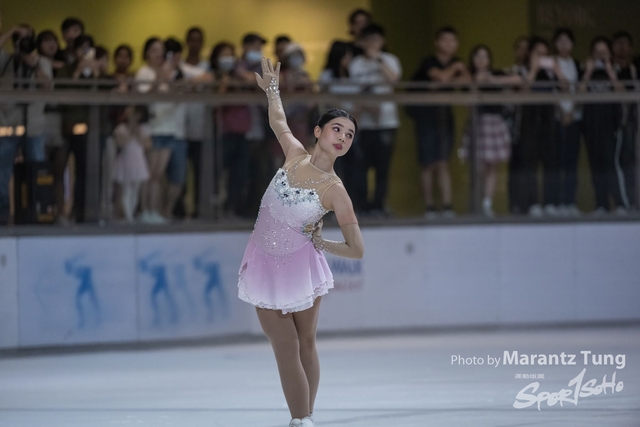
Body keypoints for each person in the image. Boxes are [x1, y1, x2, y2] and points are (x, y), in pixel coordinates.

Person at [237, 58, 364, 427]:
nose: (342, 138)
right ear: (318, 131)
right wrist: (272, 90)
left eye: (349, 135)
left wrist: (322, 244)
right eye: (337, 129)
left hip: (301, 268)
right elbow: (278, 121)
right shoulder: (294, 155)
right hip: (264, 264)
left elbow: (357, 249)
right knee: (286, 344)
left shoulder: (336, 191)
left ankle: (302, 419)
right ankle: (302, 417)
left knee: (304, 343)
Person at [408, 26, 470, 219]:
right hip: (426, 116)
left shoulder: (457, 62)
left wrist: (445, 81)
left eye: (453, 41)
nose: (449, 44)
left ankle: (447, 206)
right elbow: (441, 77)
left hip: (445, 115)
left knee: (443, 161)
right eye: (445, 40)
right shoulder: (429, 61)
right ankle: (429, 207)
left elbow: (468, 81)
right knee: (427, 163)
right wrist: (454, 72)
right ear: (437, 42)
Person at [460, 45, 523, 217]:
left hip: (495, 121)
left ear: (489, 60)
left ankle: (487, 204)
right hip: (477, 123)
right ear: (472, 60)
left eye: (484, 56)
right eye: (478, 56)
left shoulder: (497, 73)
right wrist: (476, 82)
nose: (481, 60)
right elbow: (466, 102)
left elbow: (518, 80)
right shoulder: (468, 78)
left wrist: (492, 80)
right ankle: (475, 202)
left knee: (492, 167)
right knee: (477, 167)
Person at [348, 23, 401, 217]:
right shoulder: (355, 64)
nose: (372, 44)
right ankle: (363, 206)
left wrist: (378, 60)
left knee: (383, 167)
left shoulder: (390, 59)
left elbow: (394, 79)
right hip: (364, 122)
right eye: (368, 40)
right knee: (361, 167)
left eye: (376, 40)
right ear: (362, 42)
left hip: (386, 121)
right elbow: (354, 91)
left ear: (382, 41)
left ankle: (379, 205)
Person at [580, 36, 626, 215]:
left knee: (611, 165)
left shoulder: (616, 70)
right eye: (597, 52)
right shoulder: (586, 70)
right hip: (591, 125)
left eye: (604, 52)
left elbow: (622, 92)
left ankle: (620, 204)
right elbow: (579, 93)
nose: (600, 56)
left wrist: (609, 70)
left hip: (611, 126)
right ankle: (601, 204)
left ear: (610, 54)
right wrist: (588, 72)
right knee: (596, 166)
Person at [210, 41, 251, 217]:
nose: (228, 58)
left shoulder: (240, 76)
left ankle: (231, 208)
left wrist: (240, 76)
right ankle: (215, 208)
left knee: (239, 174)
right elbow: (214, 103)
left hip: (241, 132)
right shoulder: (212, 77)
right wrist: (224, 85)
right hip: (222, 132)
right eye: (224, 55)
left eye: (231, 55)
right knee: (218, 171)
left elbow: (258, 84)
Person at [553, 28, 583, 217]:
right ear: (555, 43)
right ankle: (557, 202)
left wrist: (572, 112)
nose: (564, 44)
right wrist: (562, 111)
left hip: (575, 117)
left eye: (567, 40)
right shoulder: (551, 64)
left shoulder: (577, 64)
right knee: (557, 162)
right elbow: (550, 91)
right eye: (560, 40)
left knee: (572, 162)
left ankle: (570, 202)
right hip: (556, 118)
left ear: (572, 44)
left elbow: (581, 90)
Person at [611, 31, 637, 210]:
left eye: (625, 43)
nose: (621, 47)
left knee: (632, 162)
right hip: (615, 123)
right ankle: (621, 203)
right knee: (618, 162)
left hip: (634, 122)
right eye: (618, 43)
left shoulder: (635, 69)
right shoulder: (609, 70)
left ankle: (634, 202)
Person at [112, 105, 151, 223]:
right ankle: (127, 215)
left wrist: (137, 133)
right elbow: (119, 143)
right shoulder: (121, 128)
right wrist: (131, 133)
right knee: (126, 189)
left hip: (138, 161)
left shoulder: (143, 129)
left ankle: (132, 212)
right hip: (126, 160)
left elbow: (148, 145)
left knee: (136, 190)